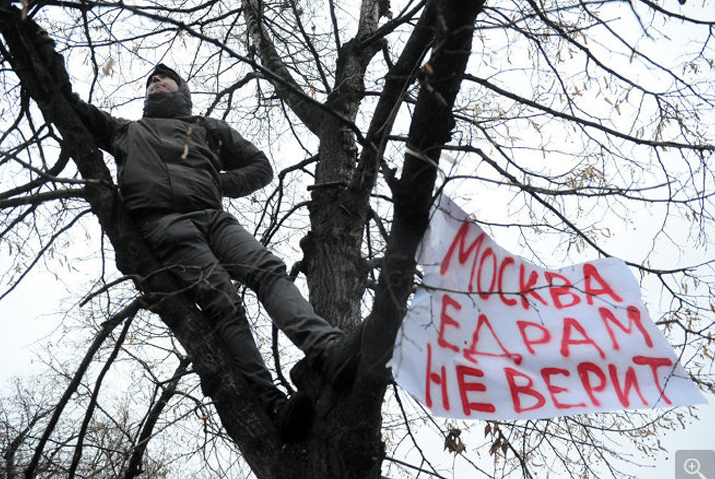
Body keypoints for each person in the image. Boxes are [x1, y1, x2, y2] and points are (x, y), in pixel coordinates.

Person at [35, 32, 360, 441]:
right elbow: (70, 107)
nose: (156, 83)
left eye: (164, 79)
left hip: (214, 218)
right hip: (166, 226)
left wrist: (218, 182)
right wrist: (42, 52)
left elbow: (260, 166)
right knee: (223, 301)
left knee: (269, 271)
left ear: (181, 91)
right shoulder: (126, 132)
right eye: (151, 82)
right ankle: (270, 403)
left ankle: (328, 350)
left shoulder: (207, 129)